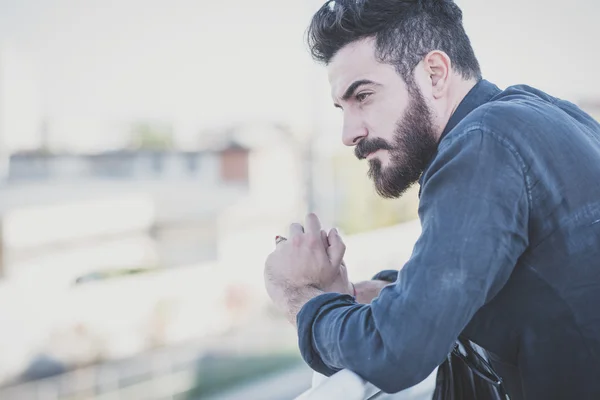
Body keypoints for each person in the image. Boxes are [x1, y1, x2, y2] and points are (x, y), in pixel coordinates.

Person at [263, 0, 600, 399]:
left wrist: (301, 299)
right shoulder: (544, 112)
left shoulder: (481, 146)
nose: (348, 133)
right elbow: (504, 273)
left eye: (364, 96)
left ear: (434, 73)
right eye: (342, 108)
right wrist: (381, 294)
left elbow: (397, 349)